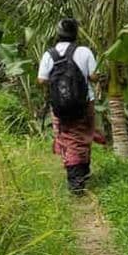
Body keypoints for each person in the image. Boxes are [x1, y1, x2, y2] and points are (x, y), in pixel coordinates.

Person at [37, 18, 100, 194]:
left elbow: (41, 79)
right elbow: (94, 76)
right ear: (75, 34)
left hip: (60, 106)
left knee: (68, 139)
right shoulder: (84, 51)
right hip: (84, 103)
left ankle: (77, 178)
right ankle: (79, 179)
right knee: (82, 137)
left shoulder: (49, 54)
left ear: (58, 34)